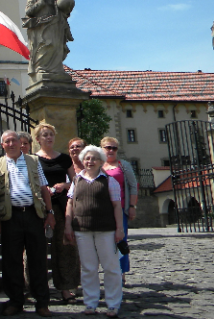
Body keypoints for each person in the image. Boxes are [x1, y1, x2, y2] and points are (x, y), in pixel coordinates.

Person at [0, 130, 54, 317]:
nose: (11, 144)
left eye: (14, 140)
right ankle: (15, 301)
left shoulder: (33, 161)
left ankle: (42, 302)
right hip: (10, 217)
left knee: (38, 259)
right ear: (2, 145)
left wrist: (50, 213)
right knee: (11, 261)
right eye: (7, 141)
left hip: (33, 215)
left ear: (20, 143)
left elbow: (43, 188)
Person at [64, 145, 124, 318]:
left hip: (106, 229)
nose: (90, 161)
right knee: (88, 268)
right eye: (87, 158)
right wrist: (68, 224)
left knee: (111, 267)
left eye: (94, 158)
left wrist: (119, 228)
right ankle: (90, 303)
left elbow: (116, 206)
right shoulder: (77, 180)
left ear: (100, 161)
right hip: (82, 230)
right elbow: (70, 203)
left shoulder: (108, 180)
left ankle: (113, 304)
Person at [34, 123, 80, 304]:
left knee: (64, 248)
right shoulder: (32, 159)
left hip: (61, 207)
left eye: (51, 134)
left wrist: (65, 185)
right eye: (44, 135)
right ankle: (37, 288)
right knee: (37, 250)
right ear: (37, 139)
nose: (48, 137)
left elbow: (77, 182)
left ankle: (66, 288)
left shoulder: (64, 159)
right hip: (39, 209)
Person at [100, 136, 138, 286]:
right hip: (103, 209)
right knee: (103, 242)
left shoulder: (123, 165)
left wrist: (132, 206)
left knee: (120, 240)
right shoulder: (98, 165)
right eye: (108, 147)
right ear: (102, 149)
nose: (111, 150)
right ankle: (108, 271)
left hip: (120, 208)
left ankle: (121, 273)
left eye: (114, 148)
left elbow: (133, 186)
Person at [23, 0, 73, 82]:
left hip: (54, 26)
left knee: (56, 46)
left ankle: (56, 70)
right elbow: (28, 12)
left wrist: (65, 8)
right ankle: (41, 68)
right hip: (41, 27)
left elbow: (59, 11)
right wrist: (41, 2)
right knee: (45, 45)